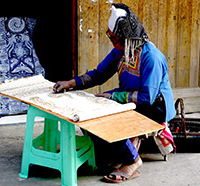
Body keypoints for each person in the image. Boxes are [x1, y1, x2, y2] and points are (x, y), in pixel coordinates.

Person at [53, 3, 176, 183]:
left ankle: (133, 161)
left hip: (155, 106)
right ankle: (112, 153)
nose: (111, 41)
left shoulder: (152, 58)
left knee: (109, 119)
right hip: (132, 97)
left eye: (114, 38)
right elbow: (99, 74)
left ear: (127, 38)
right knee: (91, 114)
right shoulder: (120, 51)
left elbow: (146, 97)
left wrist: (113, 96)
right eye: (110, 36)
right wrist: (71, 83)